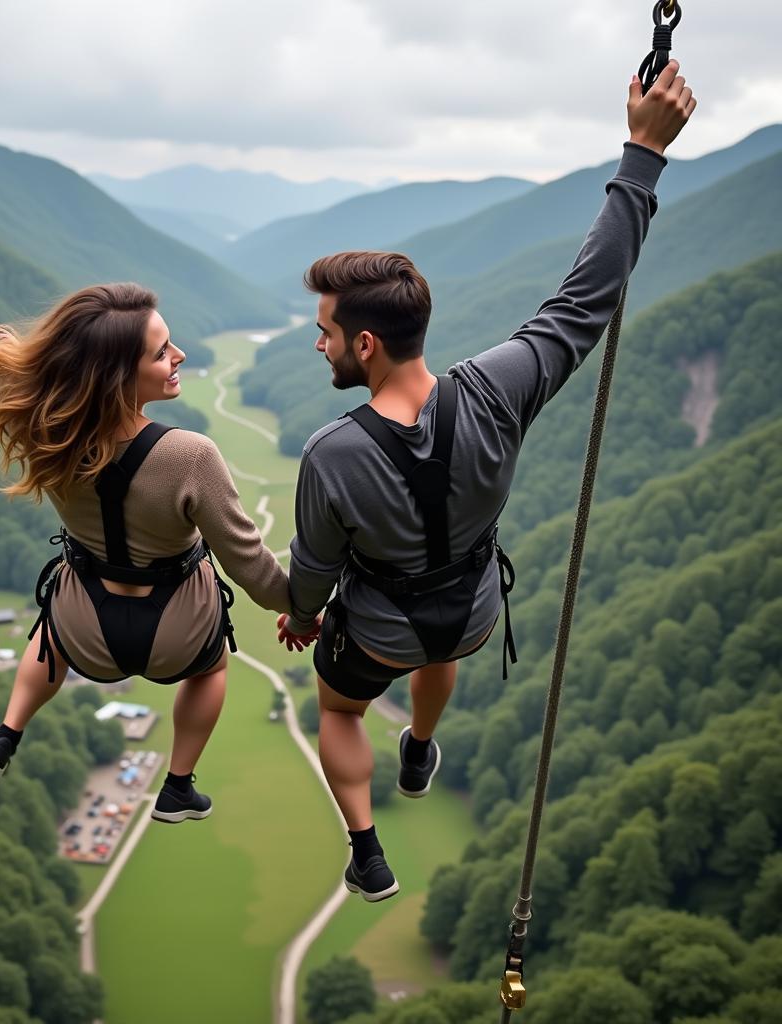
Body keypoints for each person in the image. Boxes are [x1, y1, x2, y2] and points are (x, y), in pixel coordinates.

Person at [278, 63, 697, 900]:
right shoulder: (499, 389)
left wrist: (299, 615)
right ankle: (422, 748)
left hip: (377, 635)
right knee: (443, 644)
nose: (317, 346)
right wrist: (643, 152)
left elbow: (315, 577)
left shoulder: (333, 453)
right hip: (471, 615)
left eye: (325, 333)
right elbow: (587, 298)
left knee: (339, 709)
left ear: (365, 345)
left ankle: (366, 851)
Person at [0, 120, 311, 824]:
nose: (180, 356)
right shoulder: (192, 457)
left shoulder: (33, 413)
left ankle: (7, 731)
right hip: (175, 632)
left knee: (52, 621)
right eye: (163, 353)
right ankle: (179, 784)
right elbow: (251, 568)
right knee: (213, 663)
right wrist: (302, 608)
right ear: (117, 376)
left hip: (84, 626)